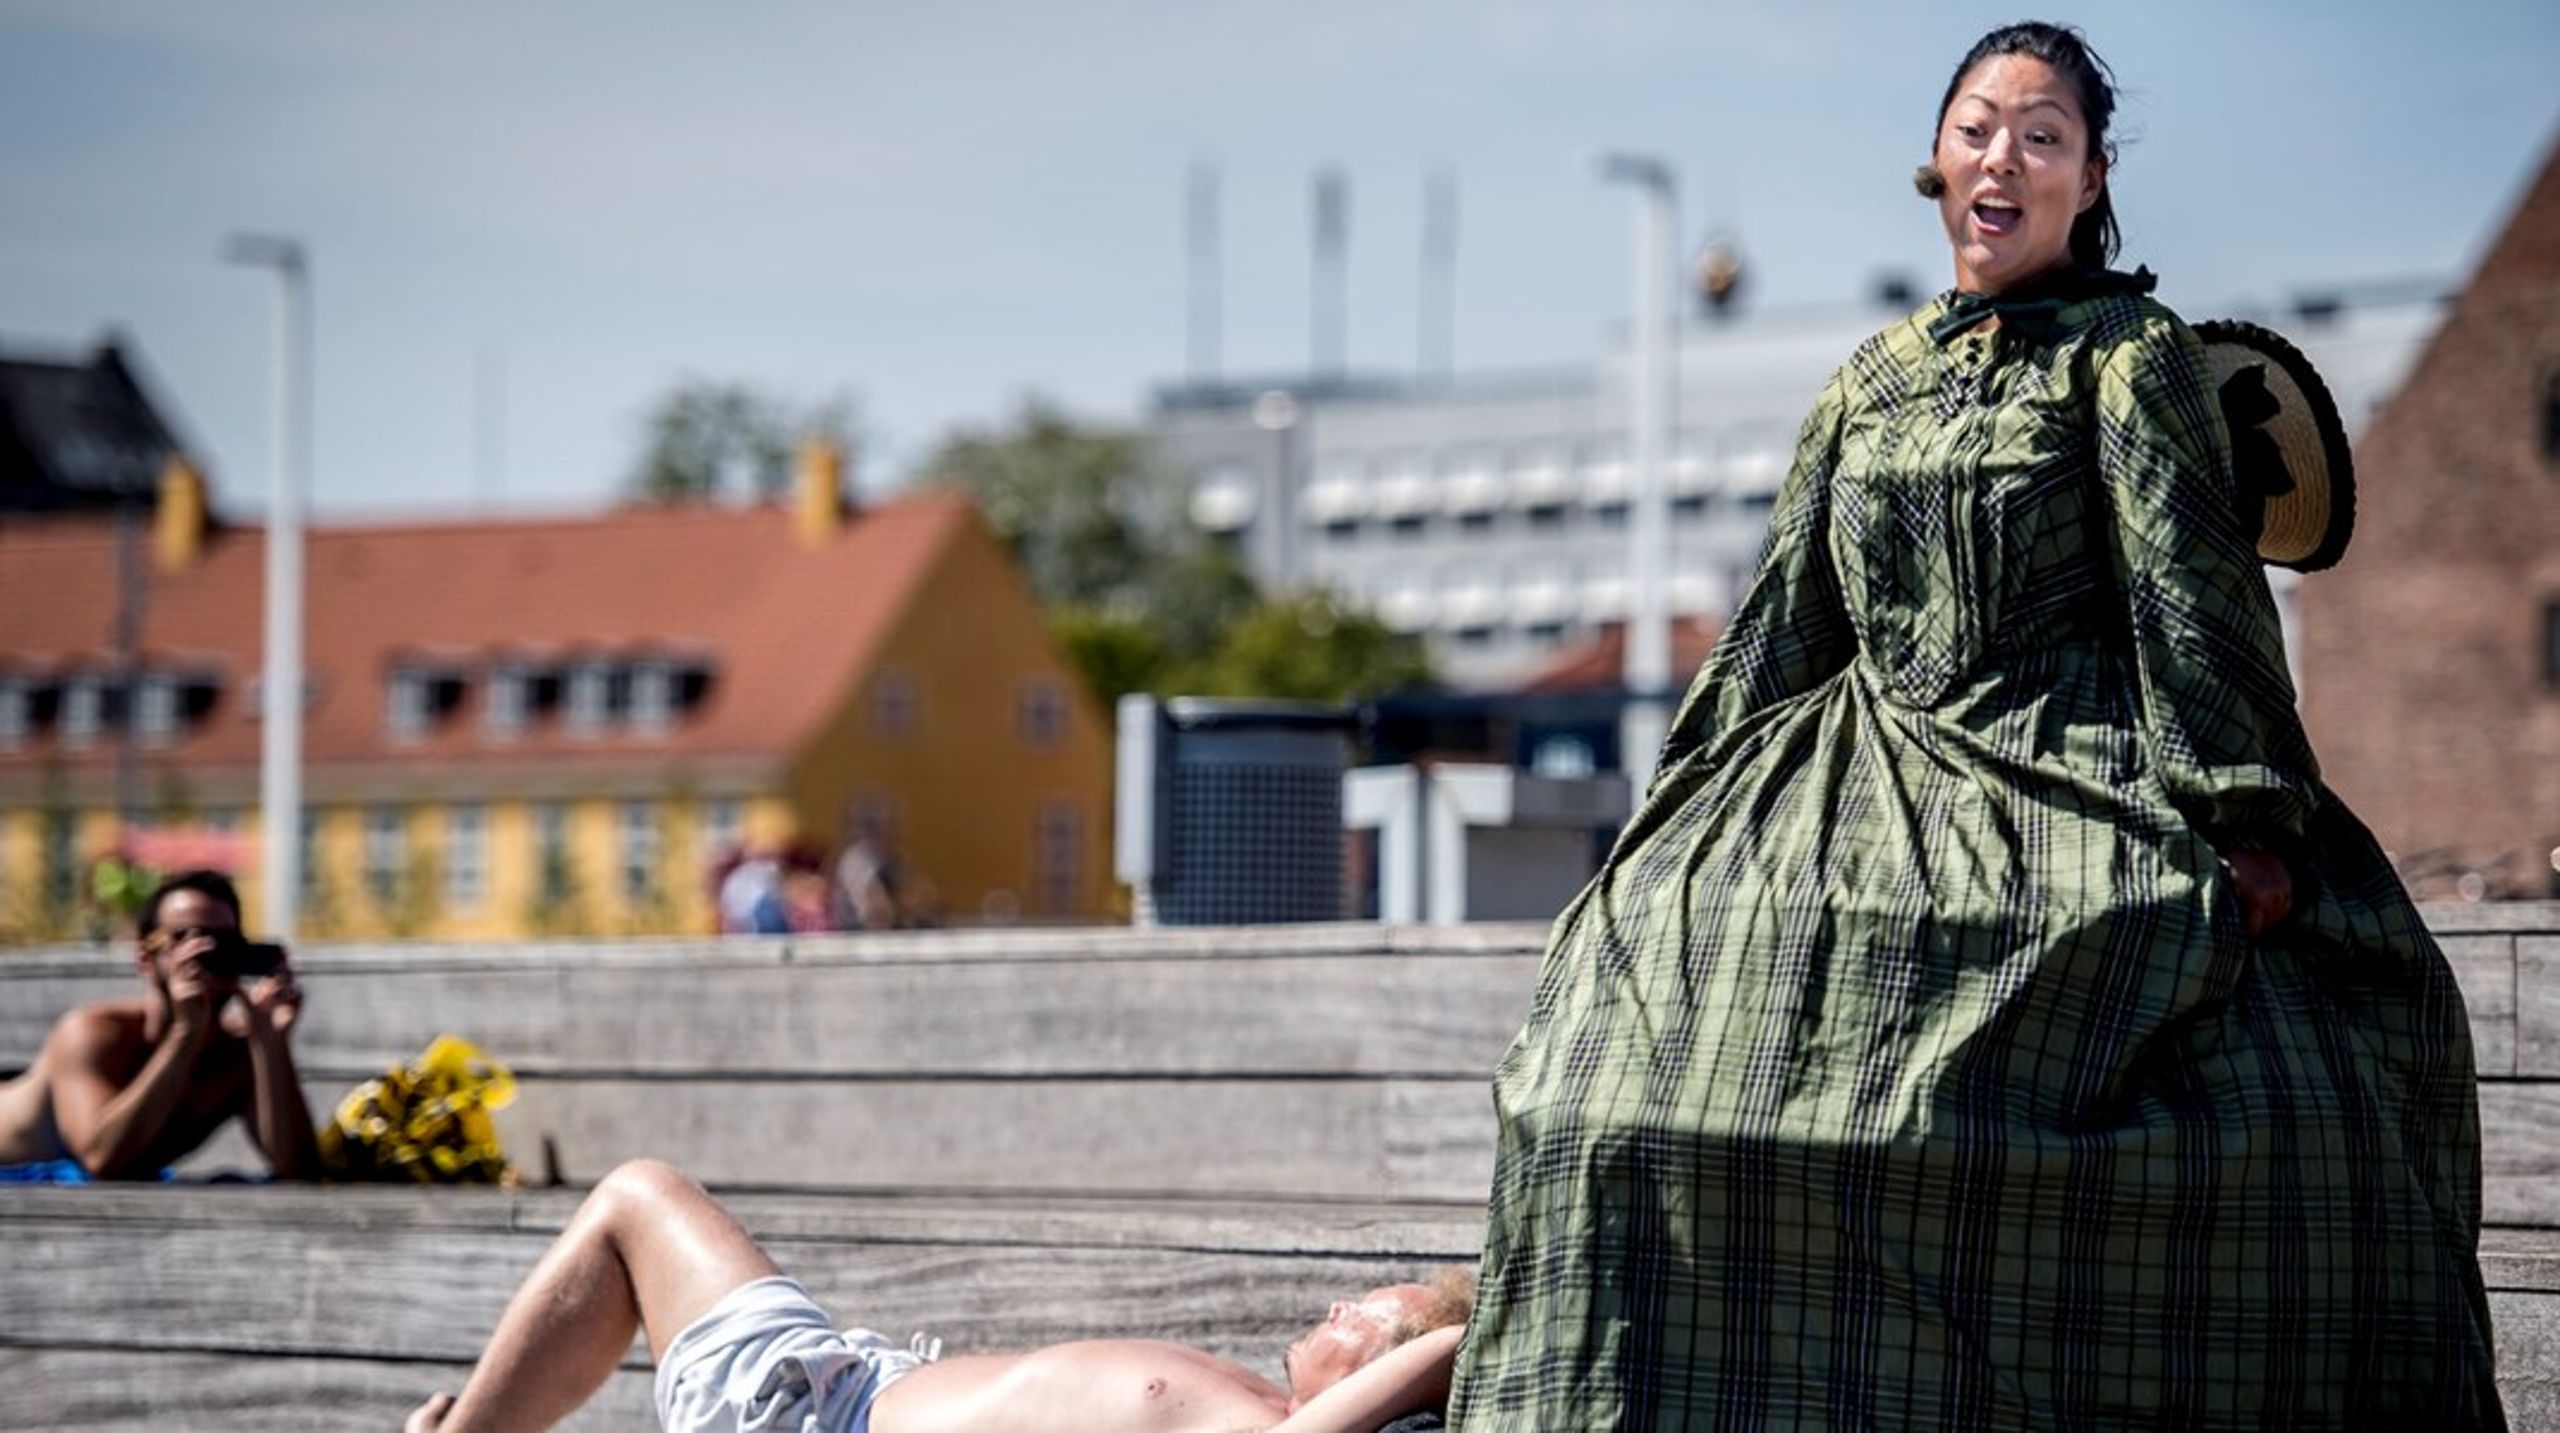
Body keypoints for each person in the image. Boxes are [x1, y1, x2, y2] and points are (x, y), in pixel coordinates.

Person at [1450, 21, 2503, 1428]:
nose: (2003, 155)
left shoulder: (2128, 360)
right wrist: (1674, 816)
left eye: (2043, 136)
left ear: (2088, 179)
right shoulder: (1867, 380)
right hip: (1853, 771)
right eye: (1978, 126)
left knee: (1984, 1091)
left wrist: (2249, 820)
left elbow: (2191, 594)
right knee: (1612, 1059)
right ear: (1935, 161)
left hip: (2067, 772)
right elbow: (1785, 617)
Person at [406, 1158, 1470, 1433]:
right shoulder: (1243, 1396)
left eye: (1373, 1316)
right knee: (635, 1202)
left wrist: (1454, 1331)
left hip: (816, 1417)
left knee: (640, 1198)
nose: (1346, 1304)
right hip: (849, 1377)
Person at [0, 869, 318, 1182]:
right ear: (145, 958)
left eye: (223, 940)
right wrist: (184, 1035)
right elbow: (100, 1159)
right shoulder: (94, 1033)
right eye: (185, 938)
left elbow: (298, 1169)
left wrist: (271, 1044)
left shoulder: (237, 1055)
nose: (205, 952)